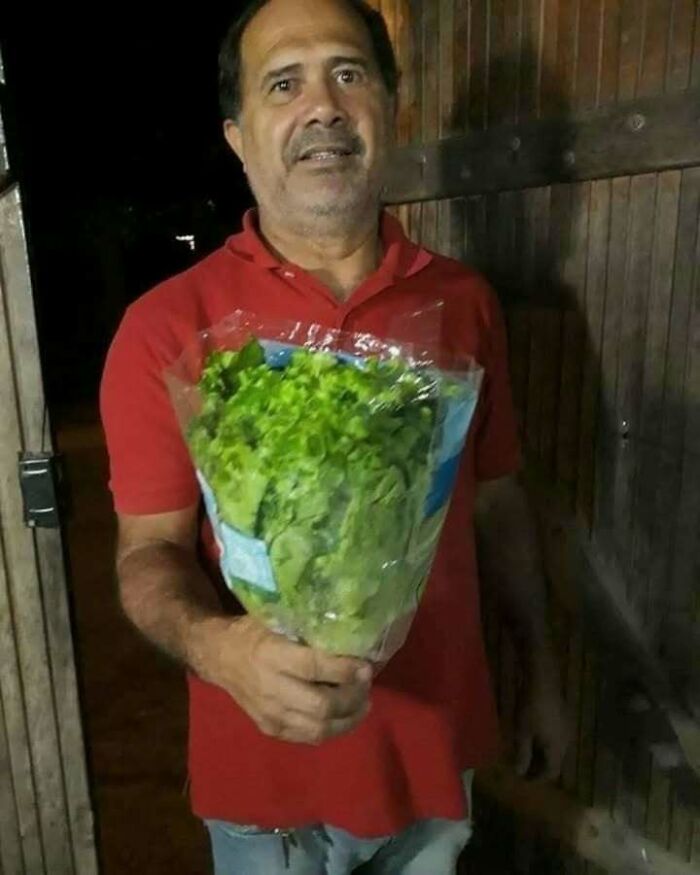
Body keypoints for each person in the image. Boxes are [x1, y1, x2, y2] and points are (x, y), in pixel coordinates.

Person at [100, 1, 569, 872]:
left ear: (392, 107)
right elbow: (147, 553)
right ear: (239, 134)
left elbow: (497, 503)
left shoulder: (463, 304)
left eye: (348, 73)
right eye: (285, 83)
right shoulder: (168, 329)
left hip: (434, 769)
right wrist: (216, 645)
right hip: (266, 795)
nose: (322, 104)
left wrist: (541, 672)